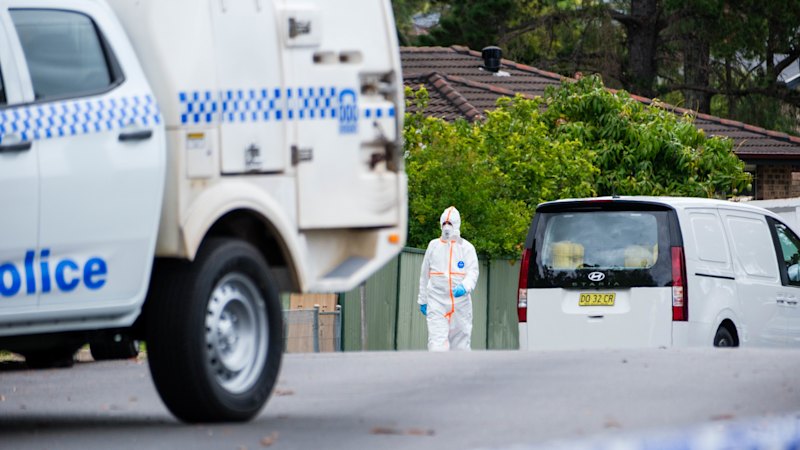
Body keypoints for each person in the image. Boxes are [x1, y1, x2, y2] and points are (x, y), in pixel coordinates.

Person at [417, 206, 479, 351]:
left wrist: (465, 286)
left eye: (450, 223)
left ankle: (460, 373)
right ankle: (438, 372)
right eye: (444, 223)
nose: (446, 227)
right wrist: (423, 299)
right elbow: (424, 274)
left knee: (461, 345)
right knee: (437, 344)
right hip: (437, 302)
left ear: (456, 224)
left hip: (460, 304)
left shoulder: (466, 248)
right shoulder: (433, 246)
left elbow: (473, 272)